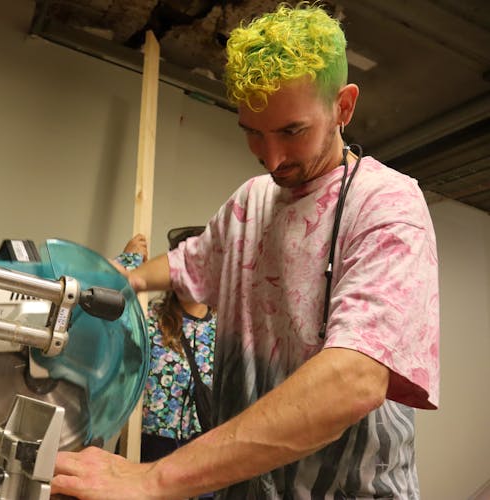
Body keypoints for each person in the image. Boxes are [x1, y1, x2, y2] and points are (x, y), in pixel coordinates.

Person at [52, 3, 439, 499]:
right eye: (253, 132)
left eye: (291, 131)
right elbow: (182, 263)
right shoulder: (251, 202)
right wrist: (115, 279)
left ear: (343, 107)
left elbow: (354, 381)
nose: (272, 157)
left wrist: (155, 478)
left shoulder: (387, 204)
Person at [115, 229, 216, 469]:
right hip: (148, 445)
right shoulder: (148, 317)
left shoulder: (224, 328)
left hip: (203, 450)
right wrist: (128, 264)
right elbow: (108, 312)